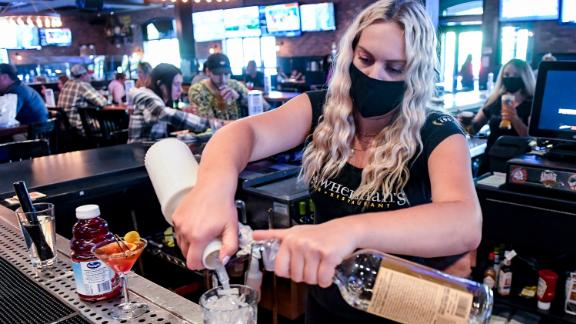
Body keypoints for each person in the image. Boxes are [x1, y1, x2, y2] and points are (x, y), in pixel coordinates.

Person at [173, 1, 482, 322]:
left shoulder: (437, 132)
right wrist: (212, 188)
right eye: (365, 59)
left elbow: (463, 223)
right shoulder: (321, 109)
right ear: (350, 54)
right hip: (328, 303)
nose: (374, 75)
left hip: (404, 308)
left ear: (416, 73)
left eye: (395, 68)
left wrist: (350, 231)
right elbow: (244, 133)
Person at [466, 59, 535, 172]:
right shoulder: (495, 100)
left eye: (515, 75)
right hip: (492, 158)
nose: (510, 78)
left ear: (524, 78)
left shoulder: (532, 103)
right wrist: (465, 122)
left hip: (519, 162)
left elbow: (530, 138)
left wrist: (514, 118)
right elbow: (474, 128)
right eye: (506, 74)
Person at [128, 63, 210, 143]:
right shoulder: (145, 96)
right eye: (176, 84)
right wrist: (209, 123)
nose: (180, 90)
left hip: (151, 150)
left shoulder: (157, 100)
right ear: (160, 84)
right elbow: (163, 113)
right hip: (138, 153)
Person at [188, 53, 249, 121]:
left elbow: (261, 105)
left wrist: (239, 97)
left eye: (226, 74)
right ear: (208, 71)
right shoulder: (198, 90)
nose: (223, 79)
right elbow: (204, 121)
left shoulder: (235, 85)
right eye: (217, 74)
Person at [57, 64, 108, 135]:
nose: (89, 76)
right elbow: (102, 103)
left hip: (66, 127)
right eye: (87, 74)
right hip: (82, 128)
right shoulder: (82, 84)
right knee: (111, 125)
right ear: (82, 75)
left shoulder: (67, 84)